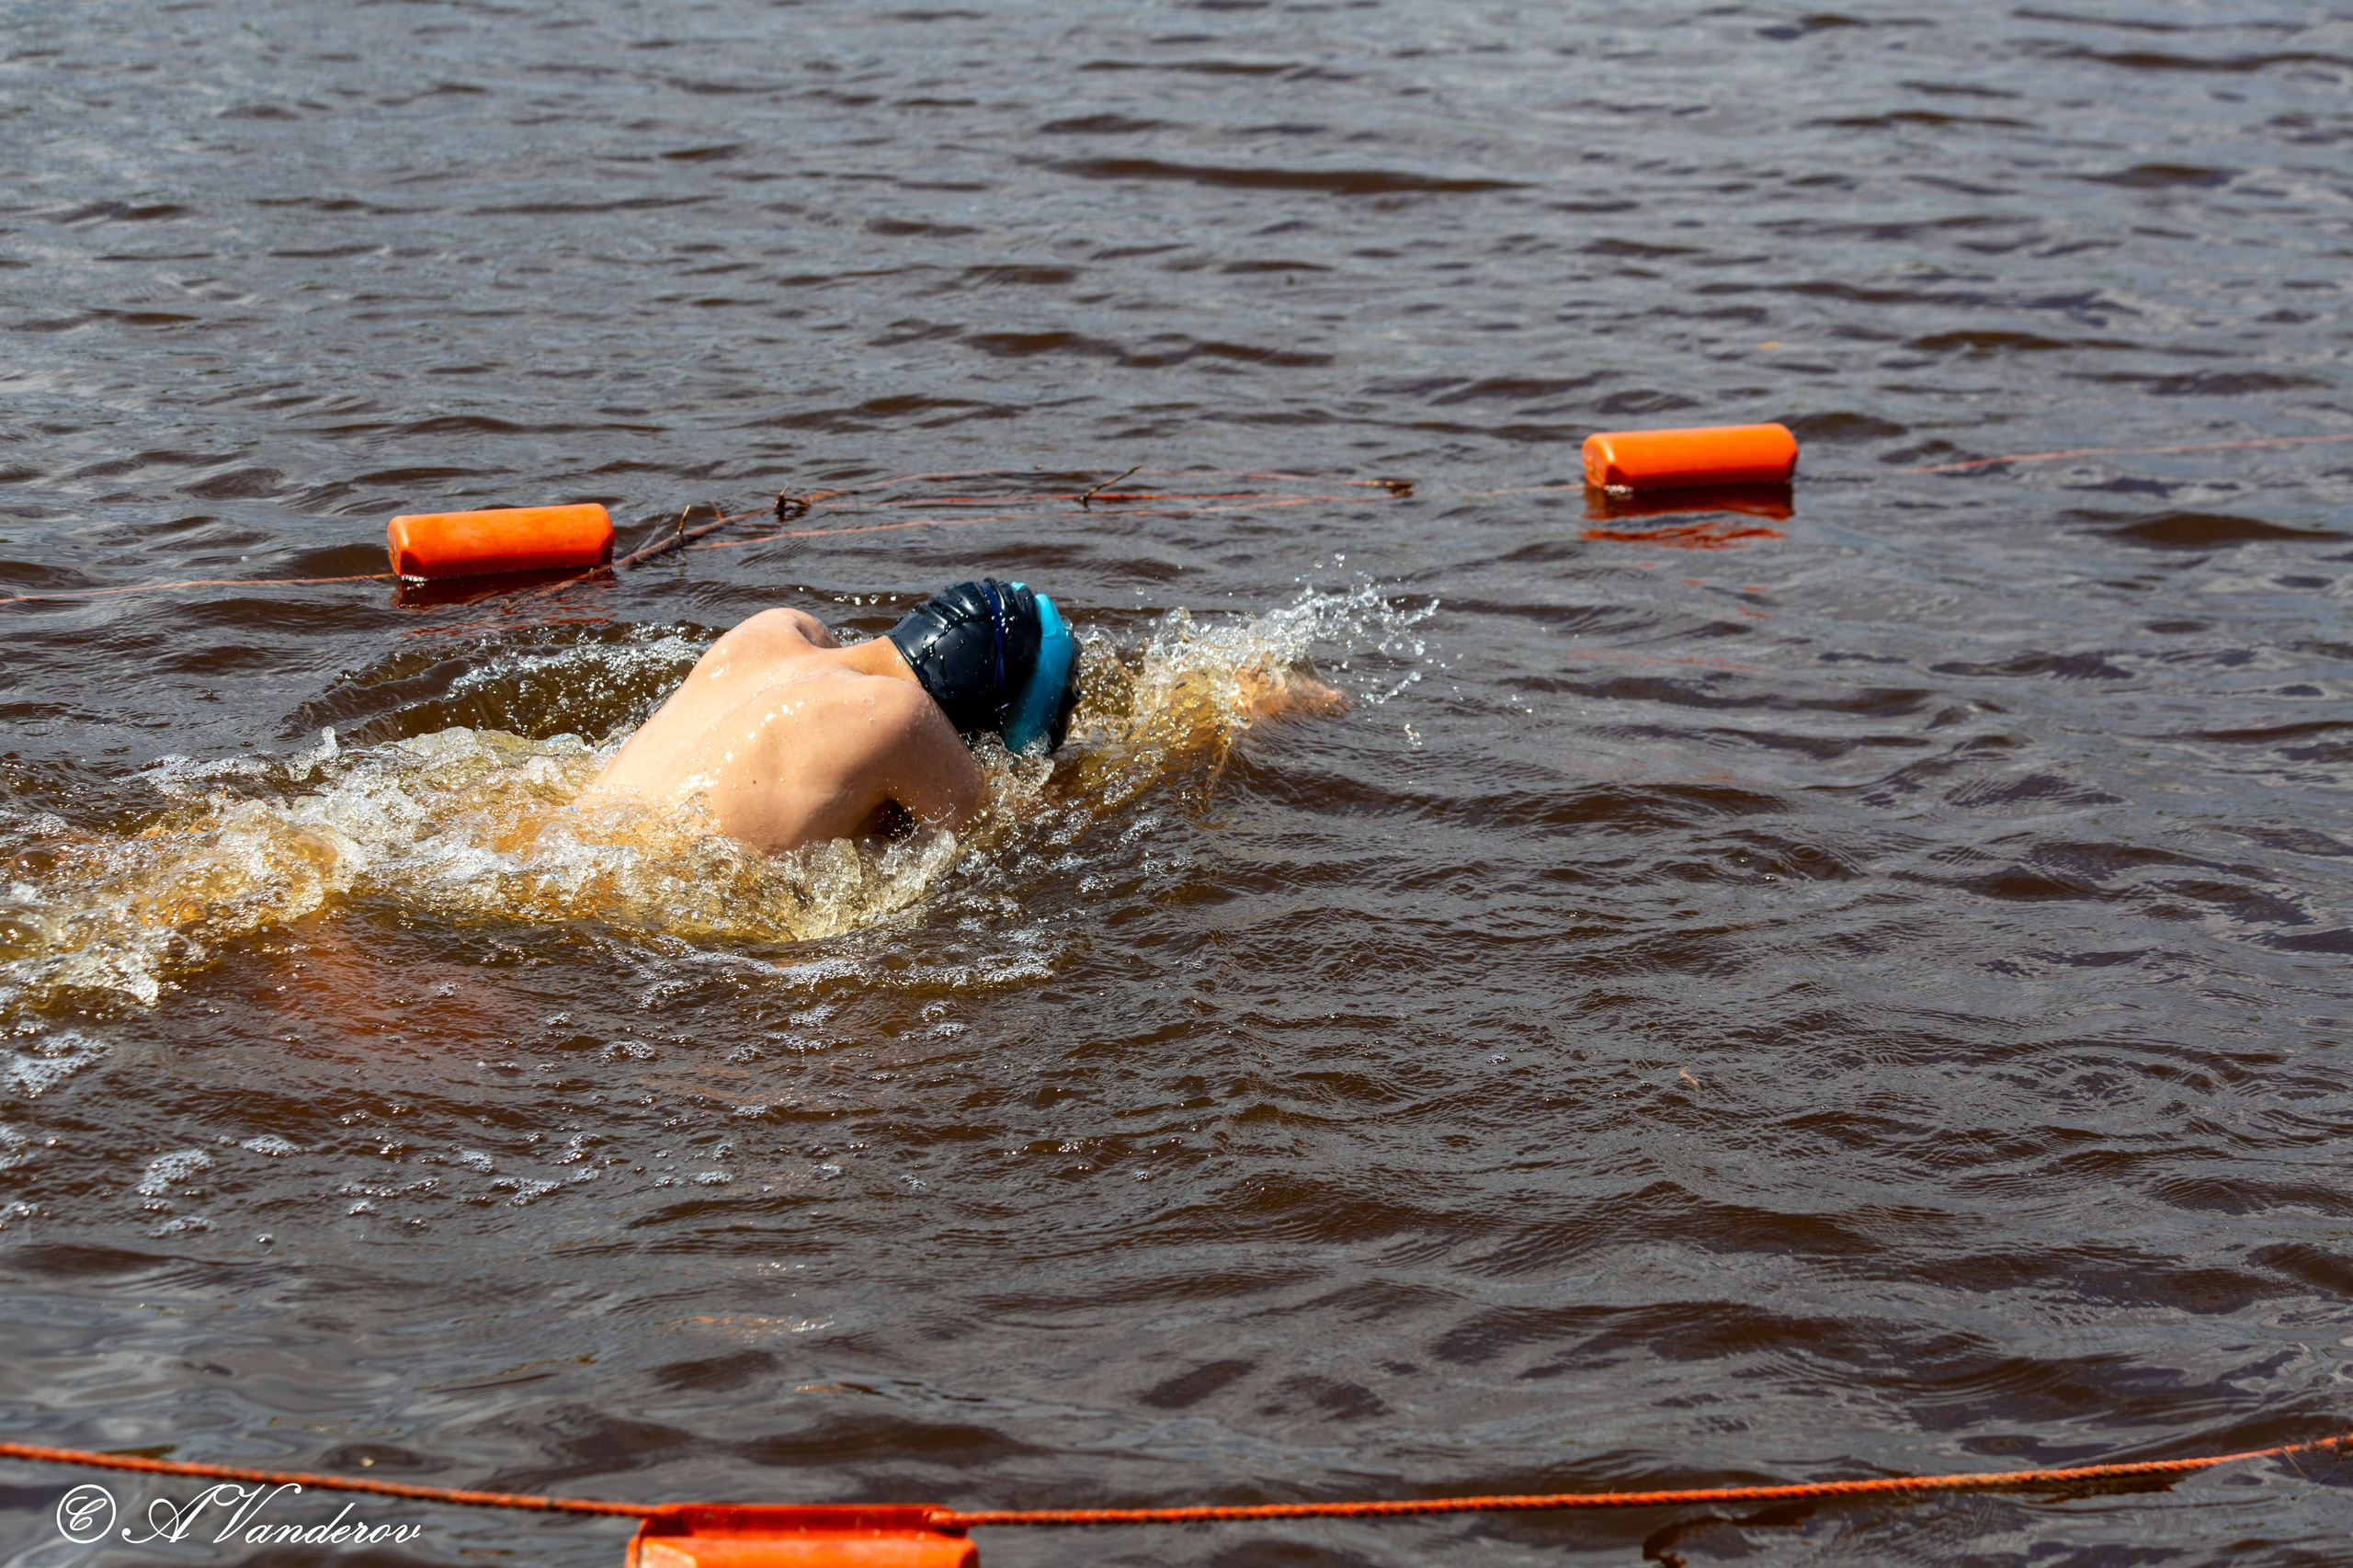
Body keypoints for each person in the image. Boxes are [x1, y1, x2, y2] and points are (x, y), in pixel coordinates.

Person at [584, 579, 1080, 856]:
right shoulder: (900, 718)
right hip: (614, 915)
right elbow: (1005, 838)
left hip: (562, 834)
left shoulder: (775, 628)